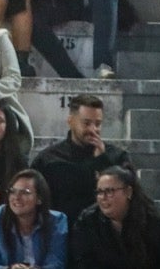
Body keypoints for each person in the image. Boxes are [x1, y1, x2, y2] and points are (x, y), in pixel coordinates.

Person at [32, 94, 134, 225]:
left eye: (97, 124)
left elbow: (129, 197)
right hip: (62, 233)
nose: (93, 129)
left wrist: (102, 162)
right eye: (86, 123)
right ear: (70, 121)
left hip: (105, 235)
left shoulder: (117, 157)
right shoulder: (48, 160)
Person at [67, 167, 160, 269]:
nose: (103, 197)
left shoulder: (152, 220)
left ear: (128, 192)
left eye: (109, 191)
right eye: (99, 192)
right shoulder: (87, 220)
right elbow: (82, 261)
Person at [0, 168, 67, 269]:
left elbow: (57, 263)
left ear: (39, 198)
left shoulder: (57, 220)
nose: (16, 197)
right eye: (12, 191)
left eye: (25, 192)